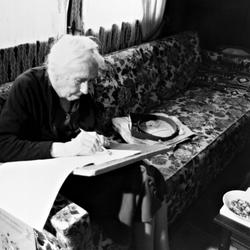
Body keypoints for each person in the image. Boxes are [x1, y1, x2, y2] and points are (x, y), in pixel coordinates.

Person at [0, 35, 169, 250]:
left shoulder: (80, 92)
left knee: (147, 174)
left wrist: (96, 138)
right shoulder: (28, 87)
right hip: (50, 178)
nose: (86, 90)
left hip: (82, 169)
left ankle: (158, 246)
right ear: (58, 73)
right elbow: (3, 145)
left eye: (90, 81)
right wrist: (63, 149)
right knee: (140, 180)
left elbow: (91, 126)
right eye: (80, 81)